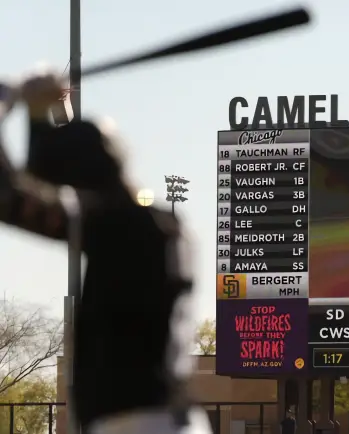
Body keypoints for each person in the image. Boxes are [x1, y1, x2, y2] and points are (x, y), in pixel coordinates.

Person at [0, 72, 210, 434]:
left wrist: (8, 100)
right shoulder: (158, 224)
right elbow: (62, 181)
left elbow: (11, 197)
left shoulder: (120, 226)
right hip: (170, 419)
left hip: (136, 424)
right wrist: (46, 112)